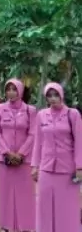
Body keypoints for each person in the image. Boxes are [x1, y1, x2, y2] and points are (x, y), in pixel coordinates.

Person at [31, 82, 82, 232]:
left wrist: (79, 167)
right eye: (49, 95)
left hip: (67, 169)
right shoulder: (41, 115)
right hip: (46, 168)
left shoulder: (72, 114)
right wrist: (35, 166)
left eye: (55, 95)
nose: (52, 98)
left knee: (67, 206)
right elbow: (38, 142)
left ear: (61, 95)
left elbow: (80, 141)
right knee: (44, 205)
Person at [0, 78, 36, 232]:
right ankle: (6, 226)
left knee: (25, 193)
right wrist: (7, 152)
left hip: (24, 160)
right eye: (8, 89)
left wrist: (21, 153)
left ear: (21, 91)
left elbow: (32, 133)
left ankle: (25, 226)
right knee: (5, 193)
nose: (10, 93)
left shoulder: (30, 110)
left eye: (14, 89)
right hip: (4, 159)